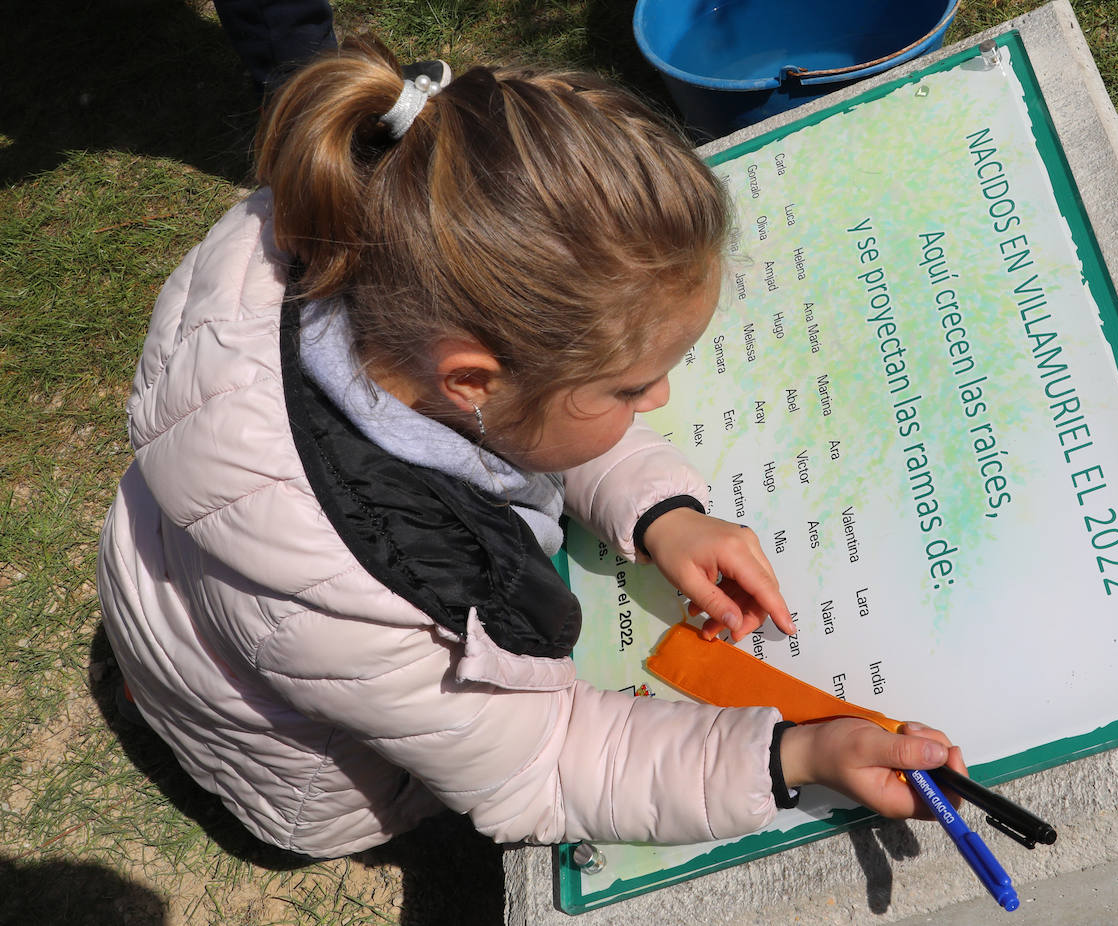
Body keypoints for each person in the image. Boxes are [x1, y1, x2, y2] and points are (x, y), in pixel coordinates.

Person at [97, 35, 965, 858]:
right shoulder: (359, 606)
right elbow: (546, 762)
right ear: (472, 379)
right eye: (629, 390)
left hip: (196, 591)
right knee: (365, 801)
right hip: (305, 765)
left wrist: (659, 509)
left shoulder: (378, 246)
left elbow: (532, 417)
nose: (658, 400)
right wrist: (794, 759)